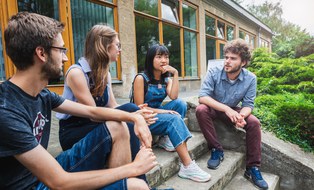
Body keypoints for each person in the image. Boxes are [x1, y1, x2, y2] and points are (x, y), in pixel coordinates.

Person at [0, 12, 157, 190]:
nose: (65, 58)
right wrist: (133, 168)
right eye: (61, 50)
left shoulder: (42, 95)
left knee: (117, 126)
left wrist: (134, 118)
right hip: (33, 185)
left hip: (41, 172)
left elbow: (92, 111)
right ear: (41, 53)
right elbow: (59, 182)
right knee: (136, 185)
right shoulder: (6, 112)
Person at [56, 24, 157, 163]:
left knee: (131, 108)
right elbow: (93, 114)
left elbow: (112, 105)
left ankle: (135, 168)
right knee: (129, 115)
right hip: (74, 131)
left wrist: (135, 113)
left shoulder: (105, 74)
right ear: (105, 46)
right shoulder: (76, 73)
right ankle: (136, 173)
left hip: (94, 124)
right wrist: (131, 116)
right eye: (117, 45)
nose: (119, 50)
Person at [131, 44, 211, 183]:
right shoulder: (141, 78)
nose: (164, 60)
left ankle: (166, 139)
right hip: (143, 120)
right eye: (159, 56)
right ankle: (187, 166)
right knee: (173, 119)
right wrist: (163, 110)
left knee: (180, 103)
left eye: (166, 57)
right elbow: (139, 108)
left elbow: (174, 97)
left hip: (157, 116)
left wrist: (175, 74)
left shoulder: (166, 79)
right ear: (150, 59)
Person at [195, 39, 268, 189]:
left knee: (254, 122)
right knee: (201, 109)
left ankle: (252, 167)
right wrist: (226, 109)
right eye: (226, 57)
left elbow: (248, 105)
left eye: (233, 58)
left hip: (234, 110)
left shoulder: (251, 78)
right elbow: (203, 97)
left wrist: (241, 116)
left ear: (243, 62)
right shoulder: (214, 72)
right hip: (215, 108)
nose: (227, 61)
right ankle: (217, 149)